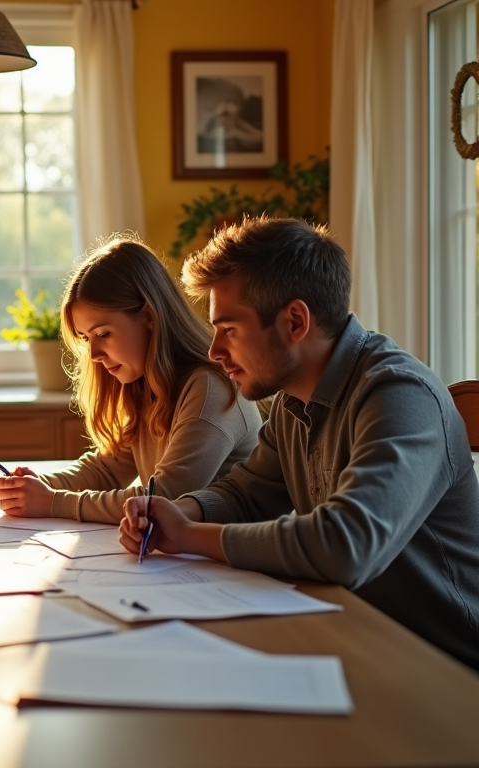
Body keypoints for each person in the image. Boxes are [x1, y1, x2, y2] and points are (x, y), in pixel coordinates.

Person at [120, 216, 479, 671]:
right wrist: (180, 512)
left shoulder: (400, 395)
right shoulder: (294, 400)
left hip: (448, 668)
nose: (213, 350)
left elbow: (345, 545)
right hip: (360, 638)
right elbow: (246, 493)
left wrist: (189, 536)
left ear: (294, 321)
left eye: (229, 328)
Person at [0, 236, 262, 523]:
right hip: (185, 557)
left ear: (148, 316)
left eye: (103, 334)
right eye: (86, 338)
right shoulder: (144, 384)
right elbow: (107, 470)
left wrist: (52, 501)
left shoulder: (210, 387)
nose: (94, 353)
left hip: (225, 563)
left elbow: (164, 497)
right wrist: (43, 485)